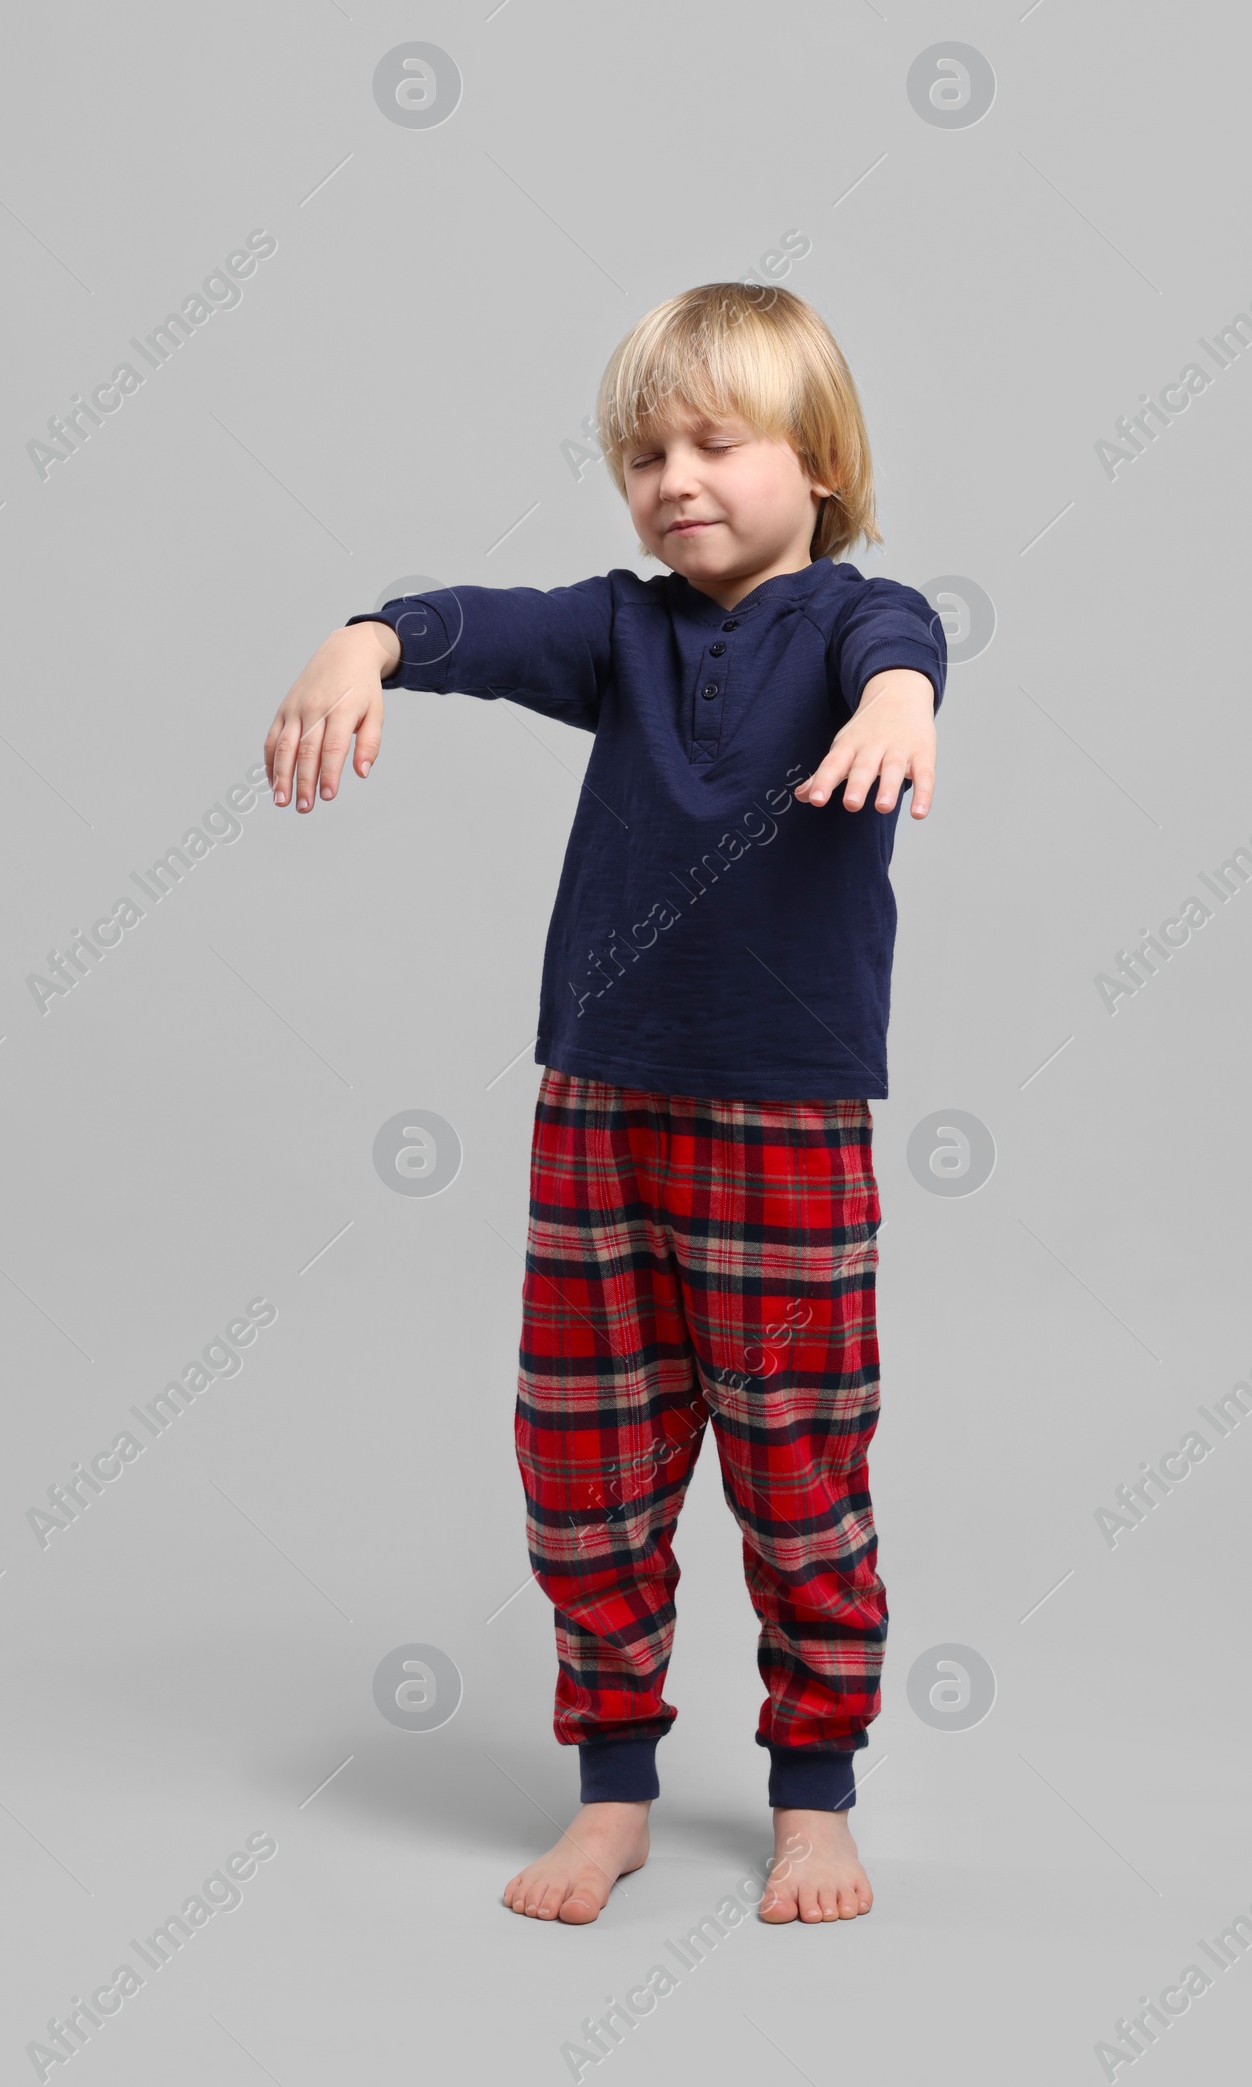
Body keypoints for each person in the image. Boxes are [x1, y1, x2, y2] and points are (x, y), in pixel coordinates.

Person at [262, 282, 946, 1925]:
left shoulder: (861, 621)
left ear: (822, 466)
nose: (675, 478)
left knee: (797, 1461)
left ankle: (813, 1793)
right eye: (644, 452)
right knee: (588, 1461)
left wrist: (901, 704)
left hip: (781, 1121)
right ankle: (614, 1786)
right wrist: (366, 638)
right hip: (601, 1112)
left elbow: (903, 644)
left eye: (718, 441)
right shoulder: (624, 634)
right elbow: (480, 624)